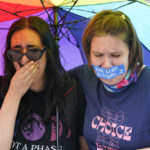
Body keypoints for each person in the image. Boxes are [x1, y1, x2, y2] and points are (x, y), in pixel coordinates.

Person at [0, 16, 89, 150]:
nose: (24, 60)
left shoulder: (72, 90)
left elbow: (85, 146)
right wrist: (13, 94)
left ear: (48, 53)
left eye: (33, 51)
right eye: (16, 52)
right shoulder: (2, 88)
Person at [70, 10, 150, 149]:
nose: (106, 65)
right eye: (98, 55)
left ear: (131, 53)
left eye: (116, 55)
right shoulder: (83, 77)